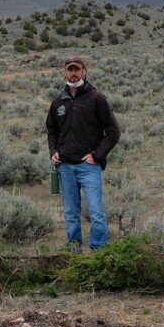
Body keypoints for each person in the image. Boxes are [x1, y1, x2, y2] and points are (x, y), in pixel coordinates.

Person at [46, 55, 121, 251]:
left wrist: (96, 155)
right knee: (70, 212)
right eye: (70, 70)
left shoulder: (96, 98)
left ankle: (98, 250)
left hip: (88, 166)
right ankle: (74, 250)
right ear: (65, 72)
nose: (73, 74)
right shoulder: (58, 102)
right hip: (65, 168)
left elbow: (113, 132)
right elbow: (52, 129)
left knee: (96, 211)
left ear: (84, 71)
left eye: (76, 69)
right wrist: (54, 151)